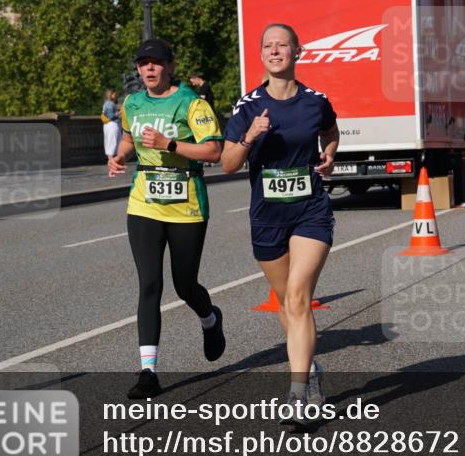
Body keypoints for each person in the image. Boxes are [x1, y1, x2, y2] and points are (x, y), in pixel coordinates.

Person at [222, 23, 339, 424]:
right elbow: (227, 163)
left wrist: (329, 154)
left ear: (297, 52)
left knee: (298, 298)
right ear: (261, 55)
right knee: (286, 304)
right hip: (267, 217)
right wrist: (250, 136)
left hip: (310, 210)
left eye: (282, 45)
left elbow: (331, 131)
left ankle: (298, 392)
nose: (275, 51)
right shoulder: (247, 107)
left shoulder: (315, 100)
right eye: (267, 46)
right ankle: (310, 369)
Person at [108, 39, 225, 399]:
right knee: (149, 285)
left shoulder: (192, 102)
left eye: (156, 63)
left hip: (186, 202)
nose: (149, 69)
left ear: (170, 67)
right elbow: (129, 139)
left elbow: (214, 151)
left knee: (184, 284)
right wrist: (120, 157)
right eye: (143, 63)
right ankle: (148, 372)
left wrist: (170, 145)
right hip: (144, 202)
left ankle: (210, 318)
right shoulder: (132, 103)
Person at [102, 87, 122, 158]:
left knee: (110, 143)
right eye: (114, 93)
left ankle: (111, 161)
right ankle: (112, 161)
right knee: (113, 143)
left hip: (108, 125)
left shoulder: (106, 103)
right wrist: (120, 112)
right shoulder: (110, 104)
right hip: (112, 125)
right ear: (111, 94)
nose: (116, 95)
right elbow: (111, 116)